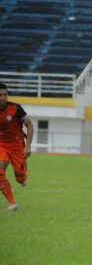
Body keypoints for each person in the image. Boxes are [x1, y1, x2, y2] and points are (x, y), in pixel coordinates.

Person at [0, 82, 34, 210]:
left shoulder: (16, 108)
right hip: (1, 145)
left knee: (20, 178)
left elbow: (29, 125)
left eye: (5, 95)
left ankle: (22, 176)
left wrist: (28, 146)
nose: (3, 97)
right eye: (0, 95)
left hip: (17, 146)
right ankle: (12, 203)